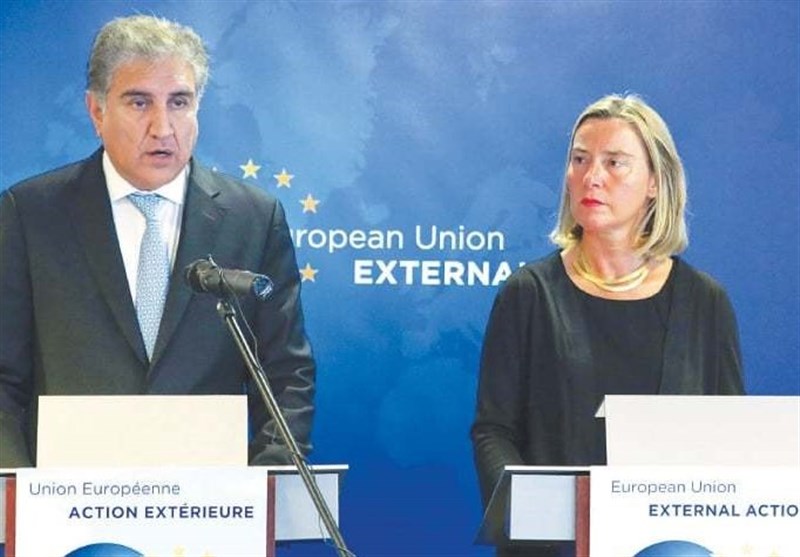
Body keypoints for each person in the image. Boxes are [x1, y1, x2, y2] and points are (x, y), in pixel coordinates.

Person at [0, 15, 315, 467]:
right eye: (139, 102)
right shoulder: (30, 213)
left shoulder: (254, 218)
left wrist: (268, 486)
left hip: (210, 499)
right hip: (69, 498)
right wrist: (16, 491)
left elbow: (285, 374)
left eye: (179, 102)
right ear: (96, 111)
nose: (163, 127)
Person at [471, 94, 744, 556]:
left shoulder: (705, 303)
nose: (591, 176)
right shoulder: (529, 294)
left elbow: (731, 442)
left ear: (655, 182)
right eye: (580, 159)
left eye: (614, 162)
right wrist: (532, 520)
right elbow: (493, 431)